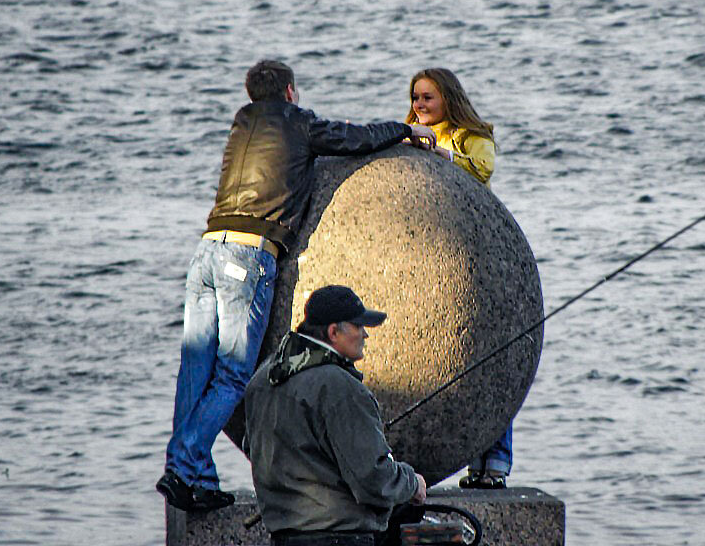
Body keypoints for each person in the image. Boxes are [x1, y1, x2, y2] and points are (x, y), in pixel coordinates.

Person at [157, 60, 436, 513]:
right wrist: (402, 132)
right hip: (248, 256)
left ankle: (193, 476)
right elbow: (352, 140)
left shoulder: (241, 124)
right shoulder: (297, 122)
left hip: (207, 250)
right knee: (231, 373)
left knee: (195, 371)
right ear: (290, 92)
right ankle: (185, 467)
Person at [245, 285, 428, 546]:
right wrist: (411, 483)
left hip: (284, 536)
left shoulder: (263, 378)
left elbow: (252, 447)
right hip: (339, 537)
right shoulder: (340, 388)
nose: (365, 334)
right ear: (333, 332)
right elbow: (373, 478)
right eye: (358, 326)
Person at [404, 67, 510, 489]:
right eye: (415, 97)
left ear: (447, 98)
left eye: (427, 97)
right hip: (433, 252)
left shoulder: (469, 136)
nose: (419, 105)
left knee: (489, 358)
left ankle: (495, 462)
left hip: (474, 251)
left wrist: (443, 154)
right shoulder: (409, 133)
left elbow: (482, 170)